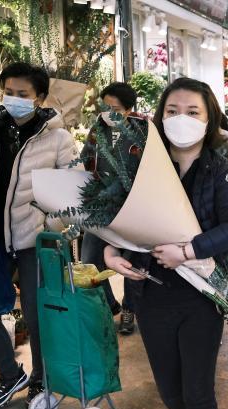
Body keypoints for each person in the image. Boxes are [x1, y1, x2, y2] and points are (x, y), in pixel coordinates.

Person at [104, 78, 228, 409]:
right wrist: (110, 251)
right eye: (172, 111)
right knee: (169, 389)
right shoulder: (139, 166)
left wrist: (187, 251)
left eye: (192, 112)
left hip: (201, 293)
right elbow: (114, 219)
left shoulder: (221, 168)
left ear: (209, 118)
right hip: (151, 292)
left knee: (198, 390)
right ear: (159, 116)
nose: (180, 119)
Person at [0, 62, 78, 409]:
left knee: (36, 314)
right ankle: (8, 372)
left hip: (35, 239)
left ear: (40, 97)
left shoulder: (57, 137)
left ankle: (41, 378)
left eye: (23, 94)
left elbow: (72, 193)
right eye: (9, 92)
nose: (14, 99)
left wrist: (51, 228)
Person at [80, 82, 145, 335]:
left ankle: (130, 309)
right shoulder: (97, 130)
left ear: (129, 109)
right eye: (105, 106)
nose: (109, 112)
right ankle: (108, 304)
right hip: (100, 205)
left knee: (130, 261)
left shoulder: (143, 131)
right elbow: (86, 158)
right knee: (90, 260)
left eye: (115, 108)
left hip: (132, 208)